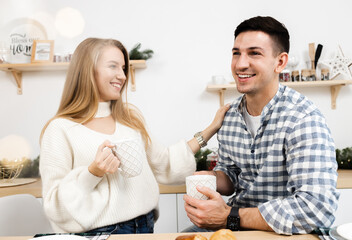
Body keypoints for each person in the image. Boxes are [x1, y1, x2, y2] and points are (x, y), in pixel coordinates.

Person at [39, 38, 230, 234]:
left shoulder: (129, 117)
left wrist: (210, 130)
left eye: (123, 68)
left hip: (145, 225)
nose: (122, 76)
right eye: (113, 66)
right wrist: (93, 172)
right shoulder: (60, 129)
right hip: (100, 234)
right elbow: (54, 205)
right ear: (87, 70)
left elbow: (164, 162)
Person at [183, 16, 339, 235]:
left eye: (254, 53)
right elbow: (231, 174)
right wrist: (211, 179)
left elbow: (316, 209)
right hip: (235, 226)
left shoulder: (303, 118)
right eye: (236, 53)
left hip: (289, 233)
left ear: (280, 62)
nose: (240, 64)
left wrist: (230, 216)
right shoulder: (229, 118)